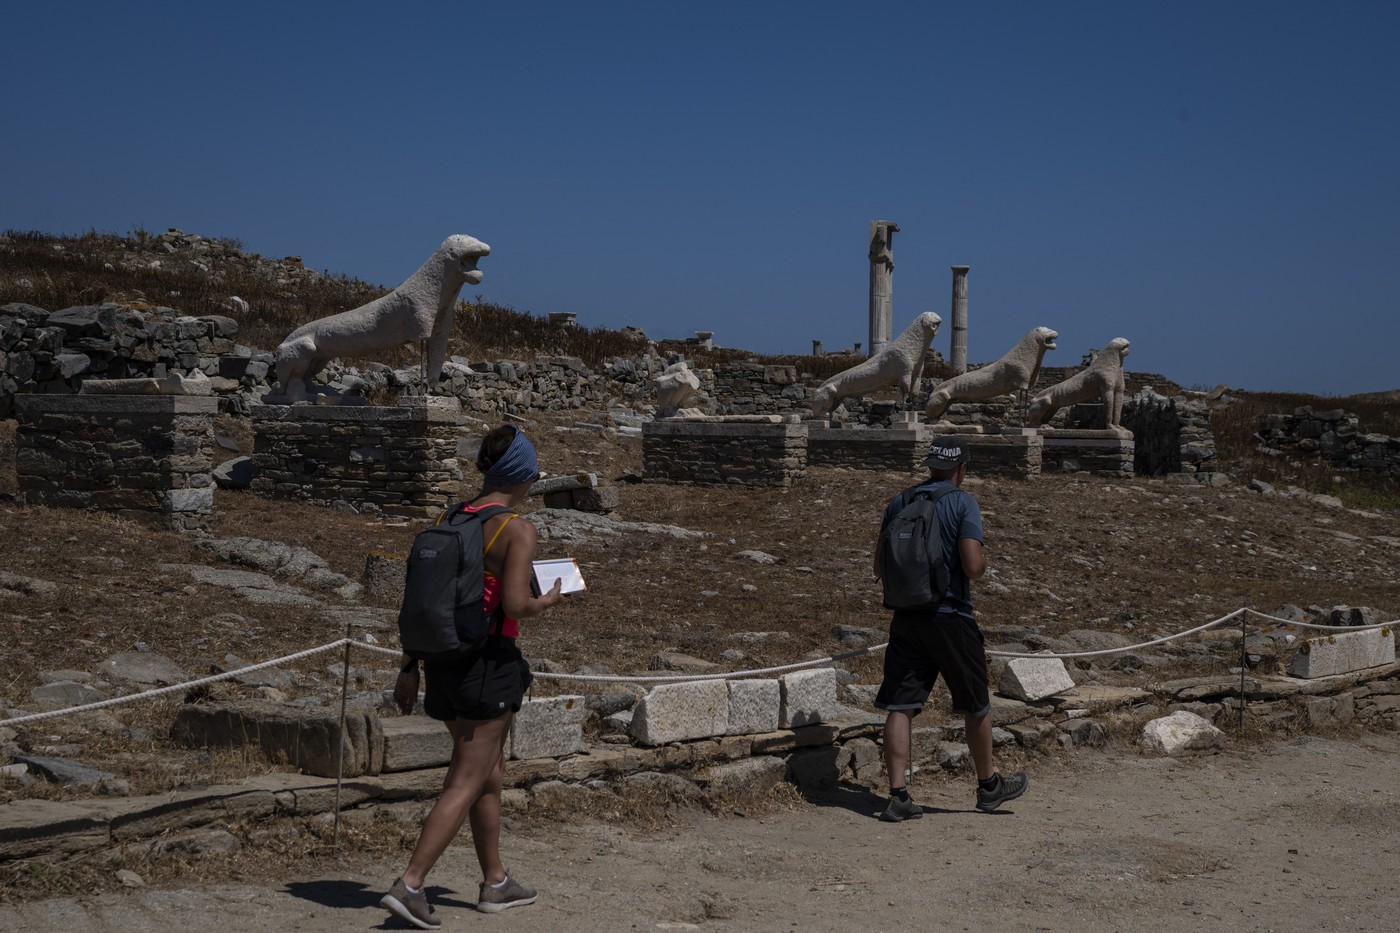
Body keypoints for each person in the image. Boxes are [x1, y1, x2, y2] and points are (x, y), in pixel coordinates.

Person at [381, 424, 564, 928]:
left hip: (441, 663)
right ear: (524, 475)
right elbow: (514, 605)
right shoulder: (517, 529)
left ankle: (496, 882)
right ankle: (411, 884)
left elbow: (422, 602)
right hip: (488, 664)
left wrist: (407, 669)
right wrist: (547, 599)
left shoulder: (451, 516)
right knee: (465, 779)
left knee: (489, 774)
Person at [872, 436, 1028, 821]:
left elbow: (879, 568)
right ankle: (989, 786)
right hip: (951, 615)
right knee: (975, 703)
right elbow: (973, 567)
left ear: (930, 465)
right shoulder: (963, 502)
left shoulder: (900, 501)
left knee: (900, 704)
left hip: (907, 616)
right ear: (962, 469)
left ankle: (898, 796)